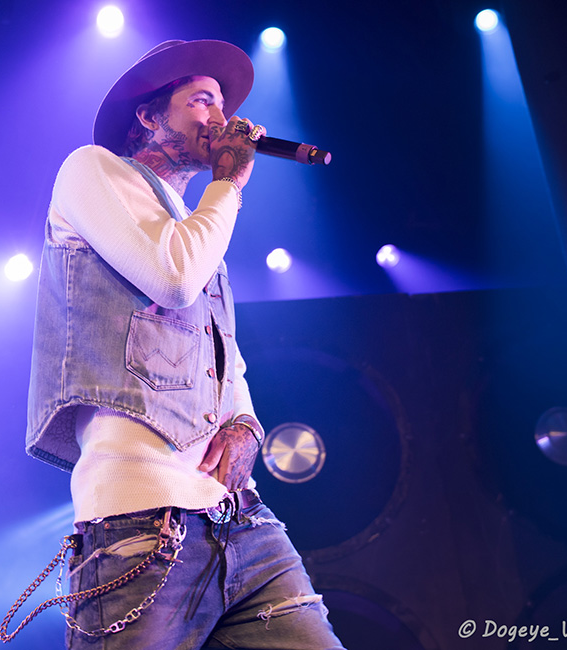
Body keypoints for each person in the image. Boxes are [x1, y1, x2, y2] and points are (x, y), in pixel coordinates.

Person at [25, 40, 345, 649]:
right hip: (140, 521)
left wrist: (247, 422)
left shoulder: (194, 223)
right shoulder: (92, 170)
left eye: (222, 104)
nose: (220, 119)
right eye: (202, 100)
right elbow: (173, 278)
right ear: (148, 116)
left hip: (240, 520)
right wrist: (227, 186)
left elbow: (223, 349)